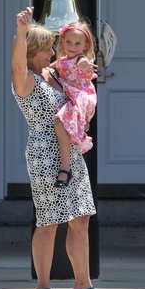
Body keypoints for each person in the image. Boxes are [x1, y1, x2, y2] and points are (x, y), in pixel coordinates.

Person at [10, 6, 110, 289]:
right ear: (32, 51)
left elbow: (79, 75)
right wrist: (20, 30)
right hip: (44, 153)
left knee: (81, 219)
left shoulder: (53, 75)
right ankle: (43, 288)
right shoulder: (25, 79)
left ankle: (83, 285)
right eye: (47, 49)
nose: (52, 53)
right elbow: (16, 62)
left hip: (72, 152)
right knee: (49, 222)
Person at [49, 21, 98, 188]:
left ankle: (65, 168)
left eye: (77, 43)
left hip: (81, 97)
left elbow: (82, 63)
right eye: (68, 42)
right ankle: (82, 137)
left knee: (60, 121)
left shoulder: (80, 59)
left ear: (85, 46)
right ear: (62, 41)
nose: (72, 46)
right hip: (71, 95)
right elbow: (48, 70)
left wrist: (85, 65)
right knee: (63, 122)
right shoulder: (61, 61)